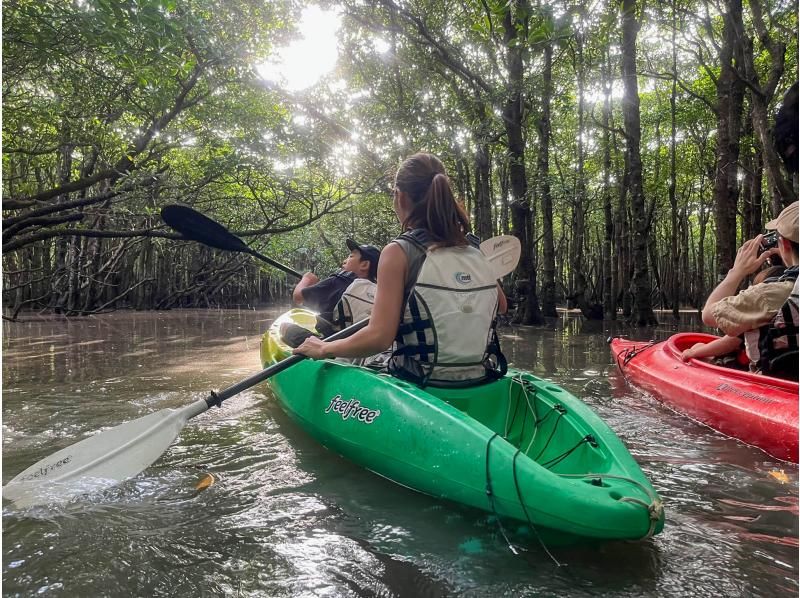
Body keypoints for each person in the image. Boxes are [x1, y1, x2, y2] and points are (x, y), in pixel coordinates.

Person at [293, 152, 507, 388]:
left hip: (418, 380)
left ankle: (309, 340)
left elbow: (379, 338)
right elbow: (502, 305)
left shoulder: (398, 252)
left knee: (334, 348)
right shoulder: (474, 248)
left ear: (400, 197)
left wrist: (324, 348)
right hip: (480, 376)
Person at [701, 202, 799, 376]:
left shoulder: (768, 294)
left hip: (781, 387)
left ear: (783, 244)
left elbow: (709, 314)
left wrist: (737, 272)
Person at [281, 239, 380, 347]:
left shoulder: (338, 281)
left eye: (351, 256)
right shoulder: (379, 289)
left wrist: (306, 279)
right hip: (364, 345)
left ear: (364, 265)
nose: (344, 261)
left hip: (333, 346)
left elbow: (298, 297)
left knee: (285, 327)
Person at [681, 266, 785, 367]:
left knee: (698, 346)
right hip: (779, 363)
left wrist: (693, 353)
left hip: (759, 368)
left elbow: (727, 343)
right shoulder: (788, 315)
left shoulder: (753, 318)